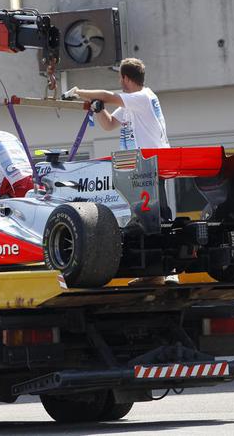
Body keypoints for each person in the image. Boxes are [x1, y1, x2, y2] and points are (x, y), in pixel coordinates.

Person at [66, 58, 177, 285]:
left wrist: (80, 92)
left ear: (126, 78)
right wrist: (99, 108)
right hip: (138, 166)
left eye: (120, 78)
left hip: (152, 164)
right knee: (143, 219)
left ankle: (169, 270)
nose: (120, 82)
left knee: (159, 216)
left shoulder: (142, 97)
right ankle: (153, 273)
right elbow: (107, 125)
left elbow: (108, 94)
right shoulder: (131, 105)